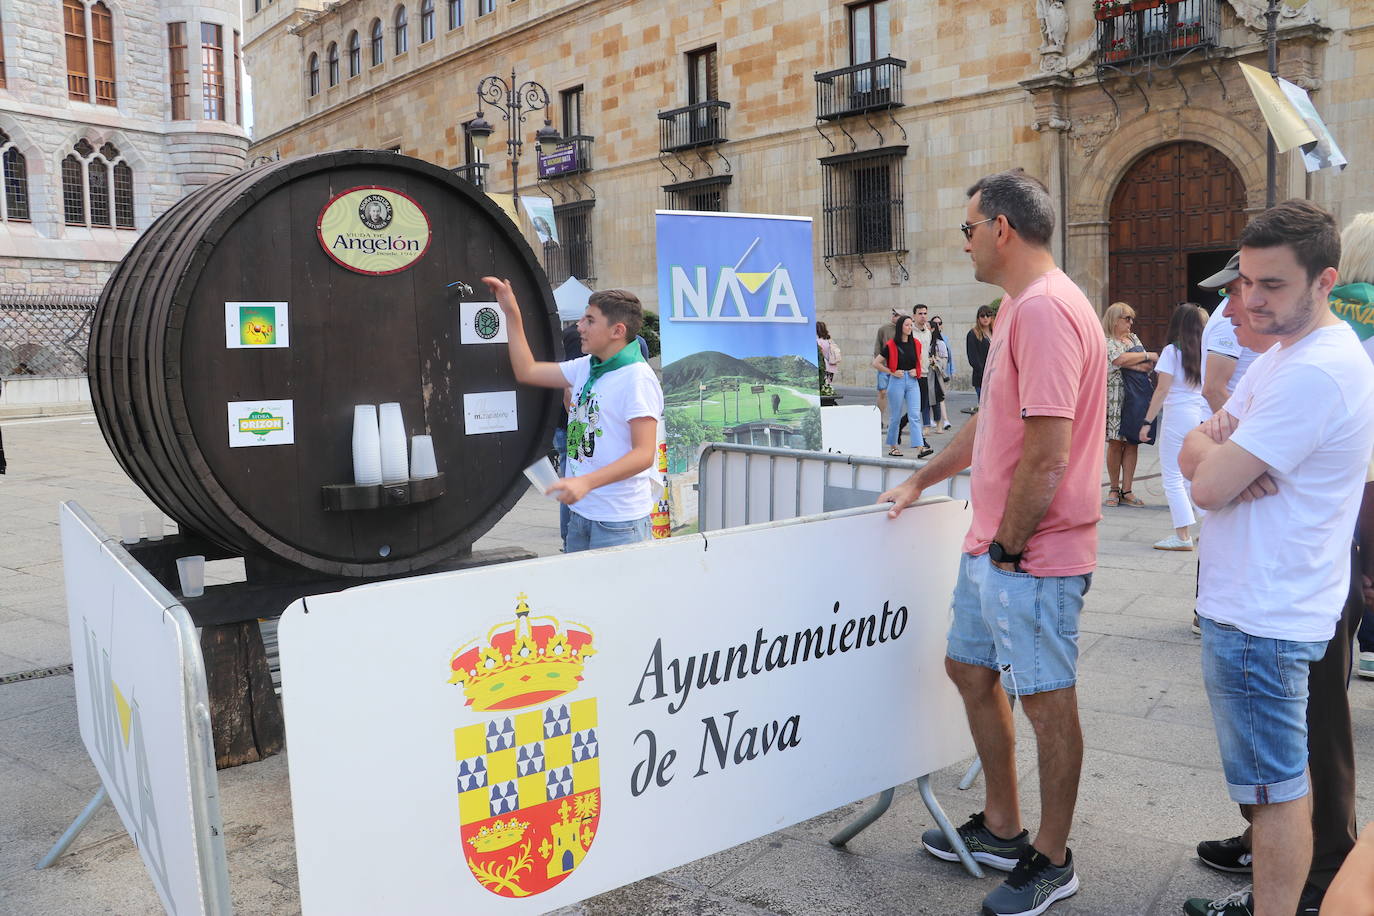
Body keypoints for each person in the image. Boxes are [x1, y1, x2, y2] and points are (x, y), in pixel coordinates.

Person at [881, 169, 1105, 916]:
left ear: (1002, 230)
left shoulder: (1043, 311)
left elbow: (1048, 450)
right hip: (997, 547)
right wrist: (922, 479)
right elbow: (993, 423)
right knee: (968, 669)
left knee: (1047, 701)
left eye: (969, 228)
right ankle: (1005, 826)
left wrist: (1008, 545)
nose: (965, 241)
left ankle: (1052, 858)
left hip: (1030, 553)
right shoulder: (1019, 306)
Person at [1179, 200, 1374, 916]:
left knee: (1276, 791)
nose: (1251, 301)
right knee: (1269, 787)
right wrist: (1214, 451)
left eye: (1273, 286)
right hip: (1256, 604)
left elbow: (1203, 481)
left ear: (1326, 280)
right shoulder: (1286, 356)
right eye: (1248, 282)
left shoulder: (1314, 371)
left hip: (1266, 613)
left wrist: (1215, 460)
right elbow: (1199, 445)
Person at [483, 277, 664, 552]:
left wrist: (585, 482)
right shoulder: (587, 366)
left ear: (617, 330)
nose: (579, 326)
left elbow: (643, 454)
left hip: (618, 522)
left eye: (589, 320)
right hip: (581, 514)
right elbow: (527, 371)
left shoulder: (637, 378)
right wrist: (511, 313)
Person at [1138, 303, 1208, 551]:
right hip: (1199, 415)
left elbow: (1162, 389)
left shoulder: (1171, 351)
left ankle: (1182, 535)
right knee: (1192, 475)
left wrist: (1147, 421)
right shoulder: (1205, 351)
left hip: (1177, 416)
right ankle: (1210, 527)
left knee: (1172, 477)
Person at [1103, 301, 1157, 508]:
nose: (1131, 322)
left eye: (1132, 318)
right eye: (1127, 318)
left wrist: (1138, 360)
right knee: (1116, 443)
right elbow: (1119, 359)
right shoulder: (1107, 341)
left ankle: (1128, 490)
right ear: (1115, 320)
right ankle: (1113, 489)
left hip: (1135, 397)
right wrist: (1145, 355)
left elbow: (1145, 366)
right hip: (1116, 397)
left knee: (1132, 442)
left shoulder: (1133, 338)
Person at [873, 315, 932, 458]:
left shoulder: (916, 343)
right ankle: (893, 447)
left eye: (911, 325)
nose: (910, 327)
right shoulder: (891, 345)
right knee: (895, 416)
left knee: (914, 414)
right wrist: (891, 372)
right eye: (907, 325)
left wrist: (917, 372)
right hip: (896, 381)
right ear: (900, 327)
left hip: (912, 381)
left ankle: (920, 448)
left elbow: (919, 362)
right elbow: (876, 363)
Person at [872, 309, 902, 416]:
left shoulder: (905, 329)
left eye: (898, 315)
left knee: (896, 394)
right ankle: (879, 418)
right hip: (884, 366)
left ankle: (894, 418)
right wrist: (878, 361)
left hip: (899, 367)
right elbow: (878, 346)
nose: (895, 316)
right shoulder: (883, 329)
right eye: (894, 314)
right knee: (882, 392)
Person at [929, 315, 954, 431]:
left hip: (940, 373)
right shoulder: (926, 339)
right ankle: (937, 420)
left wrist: (951, 371)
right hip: (929, 374)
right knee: (933, 398)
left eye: (940, 323)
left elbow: (949, 356)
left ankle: (944, 421)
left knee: (940, 398)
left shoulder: (943, 340)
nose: (938, 325)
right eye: (935, 323)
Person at [966, 304, 994, 408]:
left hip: (997, 376)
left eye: (988, 315)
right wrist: (984, 374)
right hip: (982, 377)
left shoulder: (996, 332)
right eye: (982, 316)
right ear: (978, 318)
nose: (985, 318)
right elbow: (973, 359)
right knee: (985, 408)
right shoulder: (973, 334)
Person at [912, 303, 935, 431]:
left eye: (925, 313)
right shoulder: (910, 332)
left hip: (925, 371)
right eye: (920, 313)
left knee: (924, 401)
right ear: (914, 316)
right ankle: (906, 424)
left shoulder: (928, 332)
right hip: (914, 372)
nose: (923, 316)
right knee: (915, 403)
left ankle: (926, 425)